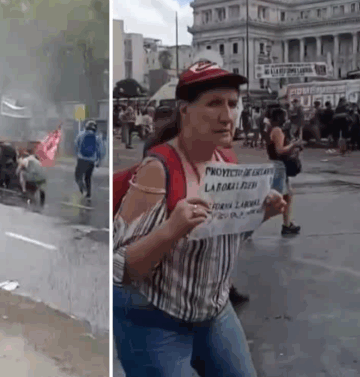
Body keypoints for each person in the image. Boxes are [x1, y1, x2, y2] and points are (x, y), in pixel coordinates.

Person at [113, 62, 287, 376]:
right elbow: (120, 268)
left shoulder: (227, 159)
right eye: (214, 103)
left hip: (215, 310)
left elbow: (224, 236)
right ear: (185, 110)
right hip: (154, 318)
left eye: (233, 104)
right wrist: (170, 231)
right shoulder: (158, 170)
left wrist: (261, 215)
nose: (227, 115)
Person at [268, 107, 303, 236]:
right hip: (278, 167)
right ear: (279, 117)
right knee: (274, 200)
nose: (287, 118)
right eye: (285, 116)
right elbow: (280, 150)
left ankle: (287, 224)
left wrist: (294, 147)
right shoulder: (277, 130)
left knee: (288, 196)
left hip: (280, 166)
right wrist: (293, 145)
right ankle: (248, 227)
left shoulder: (278, 130)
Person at [74, 120, 105, 200]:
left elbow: (76, 144)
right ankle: (88, 194)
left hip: (81, 159)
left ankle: (82, 188)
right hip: (91, 161)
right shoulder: (97, 137)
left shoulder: (81, 134)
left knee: (78, 176)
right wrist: (99, 161)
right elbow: (100, 151)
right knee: (88, 177)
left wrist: (77, 154)